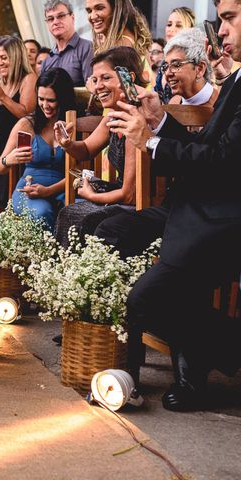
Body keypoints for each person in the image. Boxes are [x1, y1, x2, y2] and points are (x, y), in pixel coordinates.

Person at [103, 0, 241, 412]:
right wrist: (161, 121)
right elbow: (209, 147)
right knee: (109, 231)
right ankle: (139, 365)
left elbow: (222, 163)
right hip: (194, 205)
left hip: (222, 219)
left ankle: (228, 348)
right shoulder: (236, 81)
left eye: (231, 18)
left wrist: (150, 141)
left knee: (145, 300)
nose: (222, 31)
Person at [95, 28, 219, 260]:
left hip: (208, 211)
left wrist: (148, 139)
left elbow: (208, 159)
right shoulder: (170, 104)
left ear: (200, 68)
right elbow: (172, 161)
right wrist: (156, 119)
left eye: (175, 65)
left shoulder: (222, 103)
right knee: (105, 228)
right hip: (175, 205)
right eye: (165, 67)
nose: (167, 74)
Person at [53, 46, 147, 246]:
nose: (97, 87)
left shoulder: (136, 120)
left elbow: (129, 195)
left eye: (105, 78)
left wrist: (92, 195)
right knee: (68, 213)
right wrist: (67, 143)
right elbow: (86, 149)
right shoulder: (113, 115)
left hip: (139, 204)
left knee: (78, 217)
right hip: (118, 198)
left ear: (127, 78)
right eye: (95, 80)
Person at [0, 68, 76, 228]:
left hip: (65, 188)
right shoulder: (27, 124)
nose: (45, 105)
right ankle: (52, 253)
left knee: (78, 212)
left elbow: (79, 172)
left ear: (63, 98)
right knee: (42, 212)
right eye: (41, 99)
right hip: (29, 192)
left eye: (51, 100)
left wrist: (49, 191)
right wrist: (9, 160)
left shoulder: (72, 123)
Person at [0, 35, 37, 209]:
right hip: (0, 143)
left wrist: (2, 96)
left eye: (4, 58)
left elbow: (26, 113)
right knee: (0, 196)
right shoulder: (1, 80)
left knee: (15, 195)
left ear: (16, 56)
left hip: (20, 145)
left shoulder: (28, 78)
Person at [85, 0, 152, 70]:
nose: (92, 16)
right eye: (89, 11)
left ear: (116, 9)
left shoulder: (122, 46)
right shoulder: (128, 39)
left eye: (100, 8)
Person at [40, 0, 94, 87]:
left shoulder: (88, 48)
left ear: (72, 18)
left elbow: (92, 91)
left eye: (61, 16)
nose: (55, 22)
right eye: (50, 19)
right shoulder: (47, 60)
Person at [155, 8, 196, 104]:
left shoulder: (192, 60)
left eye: (178, 25)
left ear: (189, 30)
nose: (171, 29)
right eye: (169, 24)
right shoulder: (164, 61)